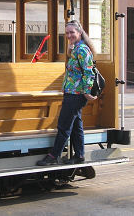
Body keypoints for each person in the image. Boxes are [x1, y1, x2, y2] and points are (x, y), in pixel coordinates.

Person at [37, 20, 97, 166]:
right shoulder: (76, 48)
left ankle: (53, 156)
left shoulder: (82, 49)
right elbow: (74, 72)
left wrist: (86, 92)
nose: (69, 35)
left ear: (79, 32)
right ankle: (79, 155)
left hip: (77, 94)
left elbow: (89, 72)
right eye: (67, 33)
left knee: (64, 126)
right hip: (72, 92)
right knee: (76, 126)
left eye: (72, 32)